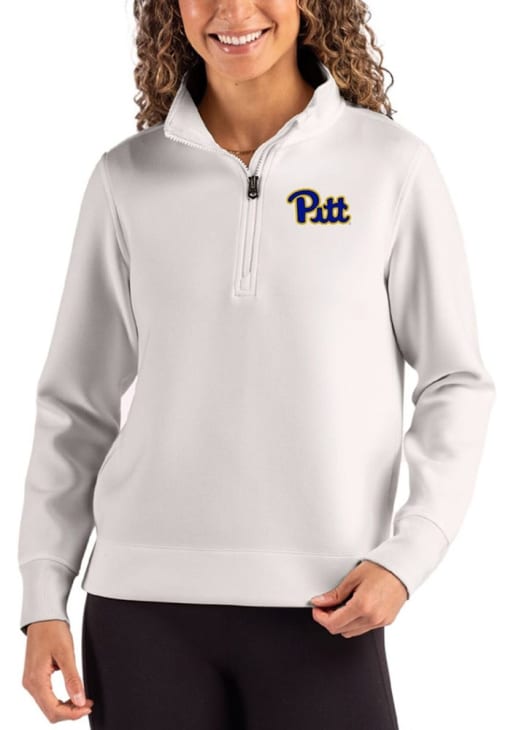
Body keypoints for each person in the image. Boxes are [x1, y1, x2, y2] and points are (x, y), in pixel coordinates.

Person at [18, 1, 495, 728]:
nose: (233, 10)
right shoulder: (127, 177)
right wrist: (43, 595)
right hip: (140, 607)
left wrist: (410, 553)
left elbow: (454, 380)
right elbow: (75, 404)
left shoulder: (389, 166)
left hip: (328, 602)